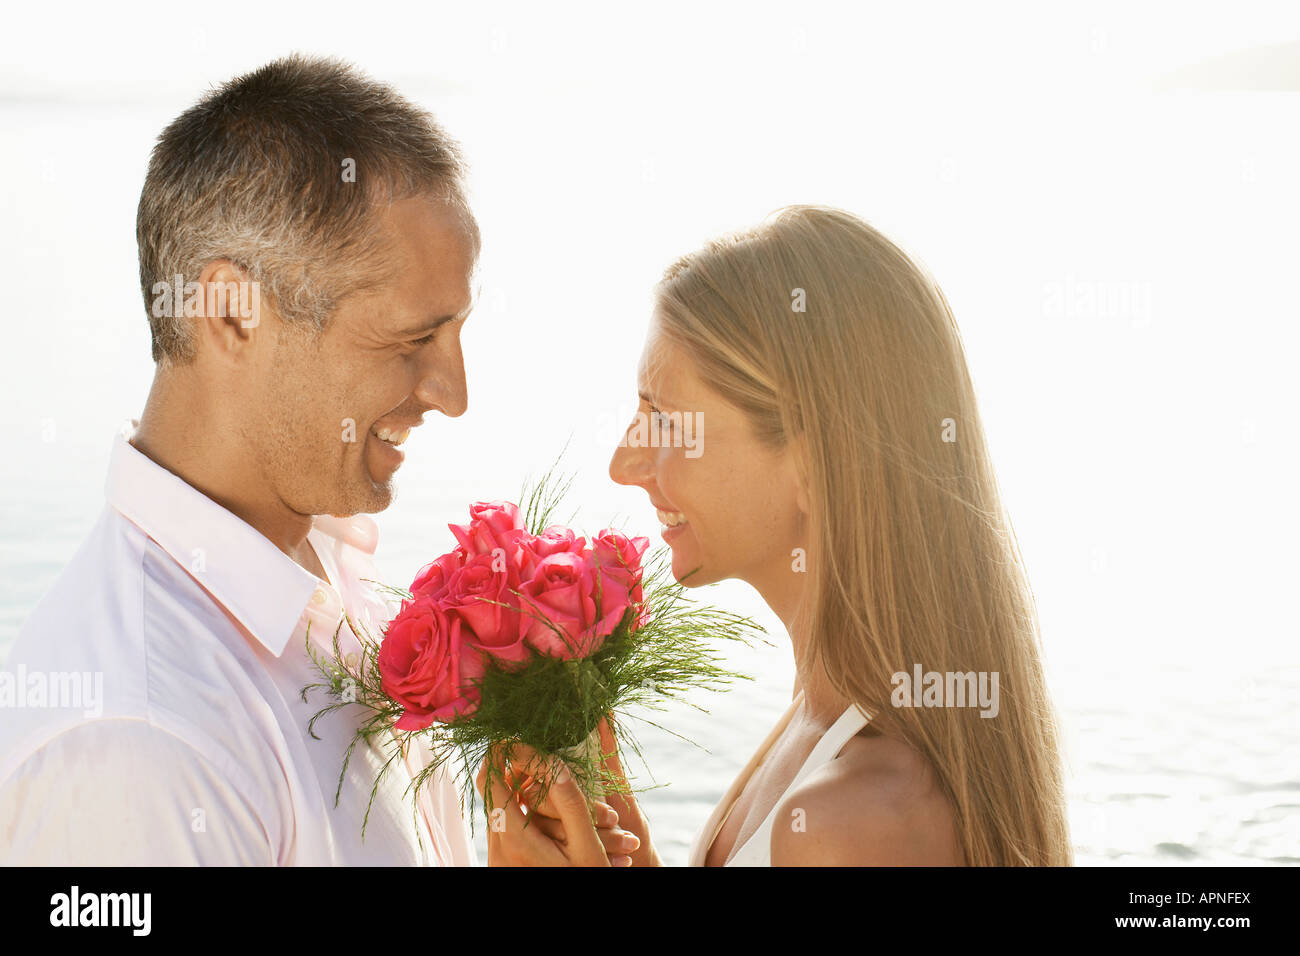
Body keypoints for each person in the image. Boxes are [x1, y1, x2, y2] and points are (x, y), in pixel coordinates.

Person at [0, 55, 640, 865]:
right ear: (232, 312)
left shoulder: (322, 566)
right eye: (412, 339)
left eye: (455, 333)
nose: (453, 392)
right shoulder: (137, 747)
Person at [480, 205, 1073, 866]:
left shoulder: (848, 826)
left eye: (668, 422)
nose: (624, 463)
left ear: (817, 461)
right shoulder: (822, 720)